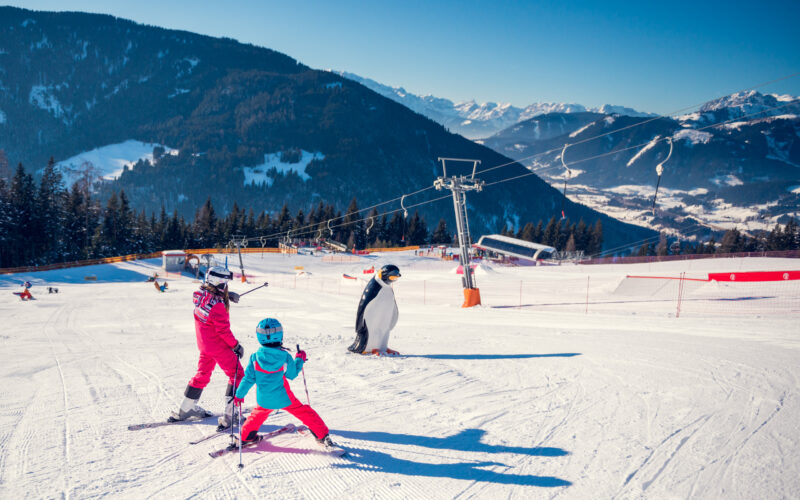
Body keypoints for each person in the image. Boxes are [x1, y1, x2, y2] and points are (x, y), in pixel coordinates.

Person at [234, 318, 335, 447]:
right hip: (284, 398)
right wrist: (300, 359)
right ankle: (322, 435)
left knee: (257, 415)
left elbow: (248, 379)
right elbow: (292, 374)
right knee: (304, 411)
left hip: (264, 398)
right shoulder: (284, 357)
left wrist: (239, 395)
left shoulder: (255, 358)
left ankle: (246, 437)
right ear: (279, 335)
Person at [170, 266, 245, 431]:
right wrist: (236, 346)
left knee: (202, 374)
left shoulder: (199, 296)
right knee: (237, 374)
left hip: (205, 346)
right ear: (218, 282)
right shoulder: (218, 306)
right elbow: (223, 331)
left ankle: (186, 408)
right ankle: (231, 414)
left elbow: (210, 300)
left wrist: (226, 297)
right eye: (224, 282)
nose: (226, 286)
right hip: (218, 346)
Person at [347, 264, 401, 355]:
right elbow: (363, 306)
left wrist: (393, 318)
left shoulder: (388, 289)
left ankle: (383, 347)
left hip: (383, 324)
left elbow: (393, 306)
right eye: (392, 276)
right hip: (369, 326)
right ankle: (371, 347)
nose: (394, 279)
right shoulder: (374, 287)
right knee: (374, 327)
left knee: (384, 327)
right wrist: (359, 326)